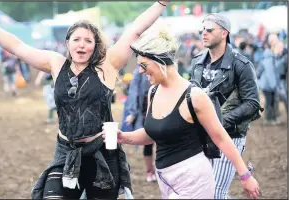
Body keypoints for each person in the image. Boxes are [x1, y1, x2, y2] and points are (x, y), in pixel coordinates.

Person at [0, 1, 170, 199]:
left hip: (102, 152)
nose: (82, 45)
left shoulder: (107, 64)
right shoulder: (56, 64)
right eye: (76, 39)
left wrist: (161, 3)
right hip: (66, 151)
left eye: (88, 41)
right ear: (67, 43)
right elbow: (17, 46)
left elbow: (134, 31)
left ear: (95, 46)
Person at [104, 25, 260, 199]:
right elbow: (154, 132)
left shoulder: (194, 96)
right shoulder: (153, 92)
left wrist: (245, 176)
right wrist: (124, 137)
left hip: (193, 179)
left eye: (144, 65)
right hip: (165, 179)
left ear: (160, 61)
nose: (140, 71)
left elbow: (221, 137)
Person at [190, 13, 261, 199]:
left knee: (215, 193)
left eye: (209, 30)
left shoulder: (241, 64)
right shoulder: (197, 62)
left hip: (231, 136)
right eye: (202, 30)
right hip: (200, 135)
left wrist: (218, 121)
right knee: (203, 192)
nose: (204, 33)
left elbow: (253, 103)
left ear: (224, 33)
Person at [123, 67, 156, 182]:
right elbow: (134, 92)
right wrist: (132, 112)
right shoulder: (138, 73)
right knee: (148, 143)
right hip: (146, 112)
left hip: (161, 109)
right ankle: (150, 171)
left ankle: (159, 171)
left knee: (163, 144)